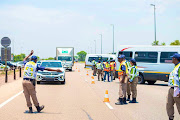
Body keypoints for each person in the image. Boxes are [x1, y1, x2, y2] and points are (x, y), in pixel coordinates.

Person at [166, 53, 180, 120]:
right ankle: (170, 118)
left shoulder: (179, 67)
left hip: (177, 89)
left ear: (175, 59)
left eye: (172, 58)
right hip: (171, 88)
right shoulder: (175, 67)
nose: (171, 59)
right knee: (169, 104)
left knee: (179, 105)